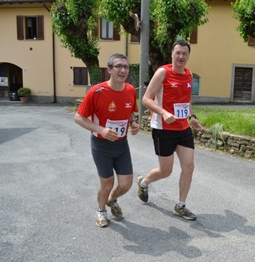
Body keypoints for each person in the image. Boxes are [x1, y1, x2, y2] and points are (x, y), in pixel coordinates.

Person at [137, 39, 202, 221]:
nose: (181, 56)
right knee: (166, 171)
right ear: (172, 54)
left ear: (188, 56)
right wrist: (164, 112)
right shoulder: (163, 73)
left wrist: (192, 117)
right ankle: (144, 182)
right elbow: (146, 99)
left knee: (189, 166)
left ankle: (180, 205)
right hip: (163, 128)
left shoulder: (189, 75)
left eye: (184, 53)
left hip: (182, 128)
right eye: (178, 53)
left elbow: (186, 99)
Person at [75, 53, 140, 228]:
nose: (123, 70)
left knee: (126, 184)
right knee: (107, 183)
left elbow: (129, 111)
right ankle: (101, 211)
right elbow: (79, 118)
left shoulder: (130, 90)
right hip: (101, 145)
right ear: (109, 70)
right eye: (118, 66)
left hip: (121, 144)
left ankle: (112, 200)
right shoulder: (96, 91)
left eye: (126, 67)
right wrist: (101, 130)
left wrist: (133, 122)